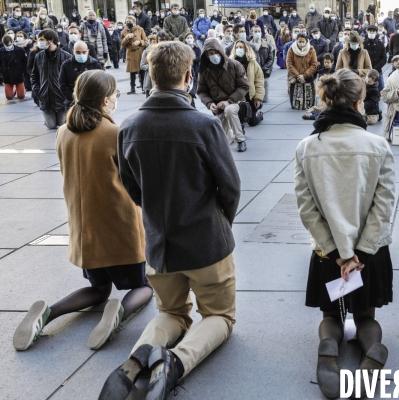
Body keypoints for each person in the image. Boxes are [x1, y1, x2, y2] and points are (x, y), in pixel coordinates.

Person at [99, 41, 240, 400]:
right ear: (188, 76)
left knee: (171, 312)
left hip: (159, 245)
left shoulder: (128, 128)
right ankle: (175, 363)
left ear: (150, 76)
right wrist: (222, 222)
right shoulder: (203, 125)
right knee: (219, 317)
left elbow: (132, 187)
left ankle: (135, 361)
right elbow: (230, 186)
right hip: (206, 242)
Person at [14, 69, 153, 354]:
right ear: (104, 101)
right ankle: (118, 315)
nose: (117, 98)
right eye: (114, 94)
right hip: (119, 228)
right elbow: (137, 179)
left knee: (99, 289)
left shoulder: (64, 131)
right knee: (145, 286)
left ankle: (48, 314)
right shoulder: (115, 133)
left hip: (84, 230)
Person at [295, 68, 395, 399]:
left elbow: (306, 208)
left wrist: (336, 251)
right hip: (370, 254)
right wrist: (361, 254)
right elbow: (383, 207)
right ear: (359, 101)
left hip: (328, 254)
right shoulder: (378, 145)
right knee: (366, 315)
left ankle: (328, 344)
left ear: (324, 100)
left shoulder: (307, 147)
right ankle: (372, 349)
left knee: (331, 314)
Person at [198, 38, 249, 151]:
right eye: (210, 54)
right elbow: (202, 91)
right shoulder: (204, 70)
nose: (214, 55)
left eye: (216, 52)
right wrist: (209, 103)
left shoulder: (234, 65)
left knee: (229, 110)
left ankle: (241, 140)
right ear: (206, 55)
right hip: (218, 105)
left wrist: (228, 101)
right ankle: (231, 134)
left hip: (236, 101)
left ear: (220, 51)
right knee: (221, 142)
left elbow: (244, 86)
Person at [31, 29, 72, 129]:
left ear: (51, 40)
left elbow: (72, 78)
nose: (39, 42)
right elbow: (34, 75)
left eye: (41, 39)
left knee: (63, 125)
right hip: (45, 97)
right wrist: (38, 91)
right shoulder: (39, 56)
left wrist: (68, 94)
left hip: (62, 98)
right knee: (51, 125)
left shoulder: (66, 56)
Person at [231, 40, 264, 126]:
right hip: (236, 96)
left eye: (241, 47)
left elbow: (259, 81)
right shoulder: (230, 63)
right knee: (239, 121)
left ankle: (260, 114)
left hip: (249, 96)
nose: (239, 49)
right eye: (237, 47)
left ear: (246, 49)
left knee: (253, 122)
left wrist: (258, 98)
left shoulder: (253, 63)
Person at [286, 33, 318, 110]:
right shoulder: (291, 49)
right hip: (295, 77)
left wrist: (304, 75)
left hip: (307, 77)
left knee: (309, 100)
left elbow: (314, 64)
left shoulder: (311, 49)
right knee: (295, 102)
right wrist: (298, 75)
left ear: (306, 41)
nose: (301, 43)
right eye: (299, 41)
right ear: (296, 40)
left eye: (303, 41)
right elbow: (289, 64)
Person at [121, 15, 147, 95]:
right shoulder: (124, 31)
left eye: (130, 21)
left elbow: (146, 41)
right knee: (132, 72)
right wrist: (126, 38)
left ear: (134, 22)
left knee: (142, 71)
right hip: (131, 54)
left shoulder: (140, 29)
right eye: (127, 22)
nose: (128, 23)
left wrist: (139, 42)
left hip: (140, 53)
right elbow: (122, 44)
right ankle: (132, 88)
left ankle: (143, 87)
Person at [250, 25, 273, 102]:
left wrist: (264, 69)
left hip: (265, 73)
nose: (257, 33)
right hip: (252, 73)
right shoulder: (248, 45)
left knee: (264, 99)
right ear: (252, 33)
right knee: (253, 98)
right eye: (255, 31)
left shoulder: (267, 45)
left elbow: (271, 59)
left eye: (259, 31)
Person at [0, 35, 27, 100]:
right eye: (6, 45)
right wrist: (2, 70)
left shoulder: (20, 50)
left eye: (9, 45)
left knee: (21, 96)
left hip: (18, 73)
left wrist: (21, 70)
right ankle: (14, 89)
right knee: (9, 97)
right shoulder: (1, 51)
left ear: (12, 42)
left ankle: (21, 89)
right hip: (7, 74)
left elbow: (25, 62)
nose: (8, 47)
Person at [363, 25, 387, 91]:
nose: (371, 33)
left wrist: (376, 68)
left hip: (378, 71)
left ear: (376, 32)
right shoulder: (363, 43)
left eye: (373, 31)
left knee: (381, 89)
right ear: (367, 31)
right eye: (370, 31)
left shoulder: (380, 44)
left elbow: (384, 58)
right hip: (366, 71)